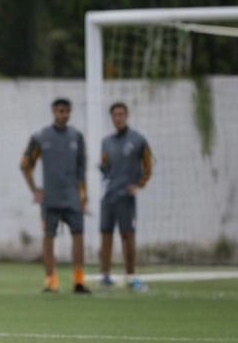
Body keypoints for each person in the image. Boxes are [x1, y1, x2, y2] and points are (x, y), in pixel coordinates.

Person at [21, 97, 89, 294]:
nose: (64, 114)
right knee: (49, 237)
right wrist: (35, 190)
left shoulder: (77, 137)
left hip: (72, 197)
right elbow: (26, 165)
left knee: (78, 235)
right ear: (53, 112)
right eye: (61, 111)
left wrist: (83, 195)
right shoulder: (41, 137)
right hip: (50, 198)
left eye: (67, 111)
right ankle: (51, 280)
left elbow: (81, 170)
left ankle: (78, 280)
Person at [98, 102, 152, 291]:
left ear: (126, 116)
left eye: (121, 114)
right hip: (109, 195)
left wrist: (139, 185)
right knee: (105, 235)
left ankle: (131, 275)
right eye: (114, 115)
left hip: (126, 197)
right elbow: (105, 165)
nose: (118, 118)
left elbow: (148, 165)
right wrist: (103, 172)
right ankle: (104, 275)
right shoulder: (107, 142)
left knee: (127, 235)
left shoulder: (138, 140)